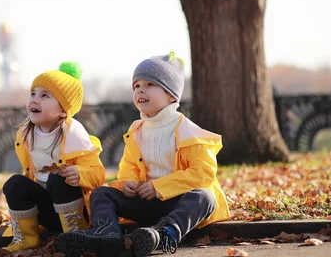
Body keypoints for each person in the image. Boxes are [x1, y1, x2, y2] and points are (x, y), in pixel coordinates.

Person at [57, 52, 230, 256]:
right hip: (146, 203)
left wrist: (159, 187)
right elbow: (128, 167)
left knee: (204, 197)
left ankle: (164, 234)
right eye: (137, 86)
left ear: (171, 95)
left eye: (150, 84)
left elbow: (203, 173)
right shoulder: (136, 131)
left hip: (177, 205)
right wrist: (127, 183)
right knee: (101, 193)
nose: (140, 90)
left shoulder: (189, 132)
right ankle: (106, 234)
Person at [1, 61, 106, 252]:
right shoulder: (25, 134)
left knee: (58, 178)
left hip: (74, 207)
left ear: (63, 110)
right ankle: (26, 237)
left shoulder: (74, 134)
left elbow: (98, 174)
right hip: (46, 210)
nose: (34, 100)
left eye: (44, 96)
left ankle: (76, 236)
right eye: (33, 93)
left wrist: (79, 173)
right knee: (14, 183)